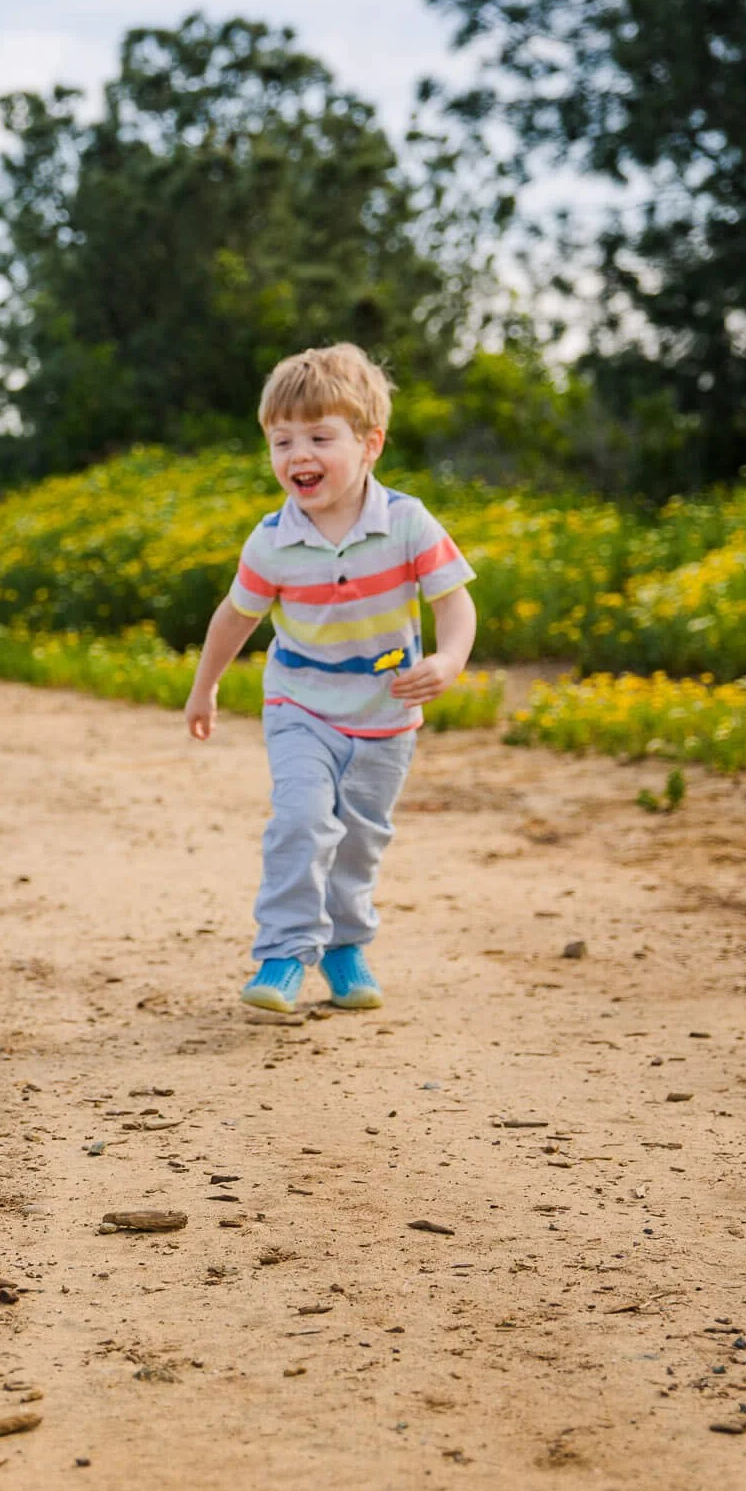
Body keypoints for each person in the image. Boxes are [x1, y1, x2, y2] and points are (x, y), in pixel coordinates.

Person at [182, 343, 477, 1015]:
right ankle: (284, 951)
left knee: (361, 834)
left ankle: (345, 946)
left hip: (385, 715)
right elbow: (235, 617)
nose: (297, 455)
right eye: (281, 440)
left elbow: (455, 600)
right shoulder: (271, 540)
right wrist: (205, 687)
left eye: (319, 436)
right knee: (302, 820)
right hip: (300, 707)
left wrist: (450, 659)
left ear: (370, 443)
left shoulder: (407, 523)